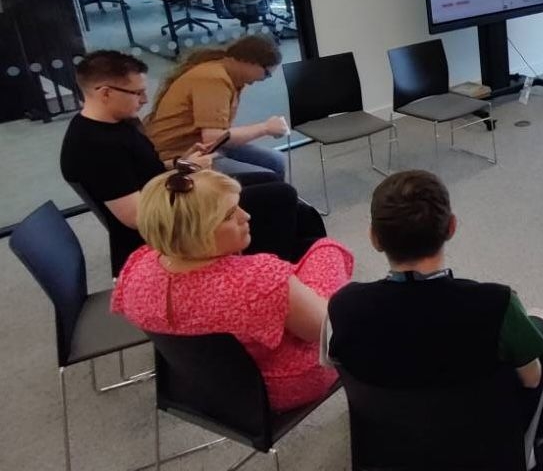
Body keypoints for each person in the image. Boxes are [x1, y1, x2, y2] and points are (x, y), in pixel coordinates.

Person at [325, 170, 543, 470]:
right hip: (483, 447)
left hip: (390, 446)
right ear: (451, 227)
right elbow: (532, 378)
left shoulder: (343, 307)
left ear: (374, 238)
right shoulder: (496, 304)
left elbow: (339, 366)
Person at [111, 168, 354, 412]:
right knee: (326, 250)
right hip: (276, 386)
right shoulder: (257, 280)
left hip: (197, 382)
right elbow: (324, 331)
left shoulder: (137, 268)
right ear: (197, 231)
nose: (245, 215)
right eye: (229, 215)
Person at [60, 50, 322, 273]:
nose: (144, 100)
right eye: (137, 93)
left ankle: (288, 265)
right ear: (105, 93)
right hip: (165, 226)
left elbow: (143, 172)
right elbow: (138, 216)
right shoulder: (94, 147)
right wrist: (191, 173)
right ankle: (268, 273)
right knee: (281, 196)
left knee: (280, 195)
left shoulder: (119, 123)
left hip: (170, 197)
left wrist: (182, 163)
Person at [145, 35, 289, 180]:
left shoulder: (224, 71)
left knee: (275, 160)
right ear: (251, 62)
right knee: (266, 177)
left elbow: (218, 137)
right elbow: (213, 138)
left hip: (202, 146)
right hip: (181, 155)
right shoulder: (215, 79)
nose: (263, 79)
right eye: (267, 74)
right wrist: (265, 128)